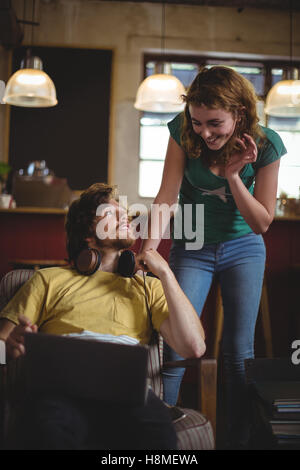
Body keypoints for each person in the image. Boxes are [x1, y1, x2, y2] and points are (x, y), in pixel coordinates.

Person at [140, 66, 287, 449]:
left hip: (244, 246)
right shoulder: (182, 130)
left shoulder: (267, 144)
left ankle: (234, 442)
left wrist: (234, 176)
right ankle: (160, 442)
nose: (205, 132)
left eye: (215, 124)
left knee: (239, 354)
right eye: (198, 122)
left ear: (239, 112)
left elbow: (261, 223)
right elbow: (167, 196)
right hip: (192, 243)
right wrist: (149, 251)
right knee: (173, 344)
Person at [0, 182, 205, 450]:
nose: (126, 217)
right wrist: (9, 346)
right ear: (87, 232)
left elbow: (194, 346)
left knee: (157, 435)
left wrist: (165, 274)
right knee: (48, 431)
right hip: (60, 392)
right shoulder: (48, 280)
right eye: (111, 213)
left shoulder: (148, 286)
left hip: (127, 395)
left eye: (126, 213)